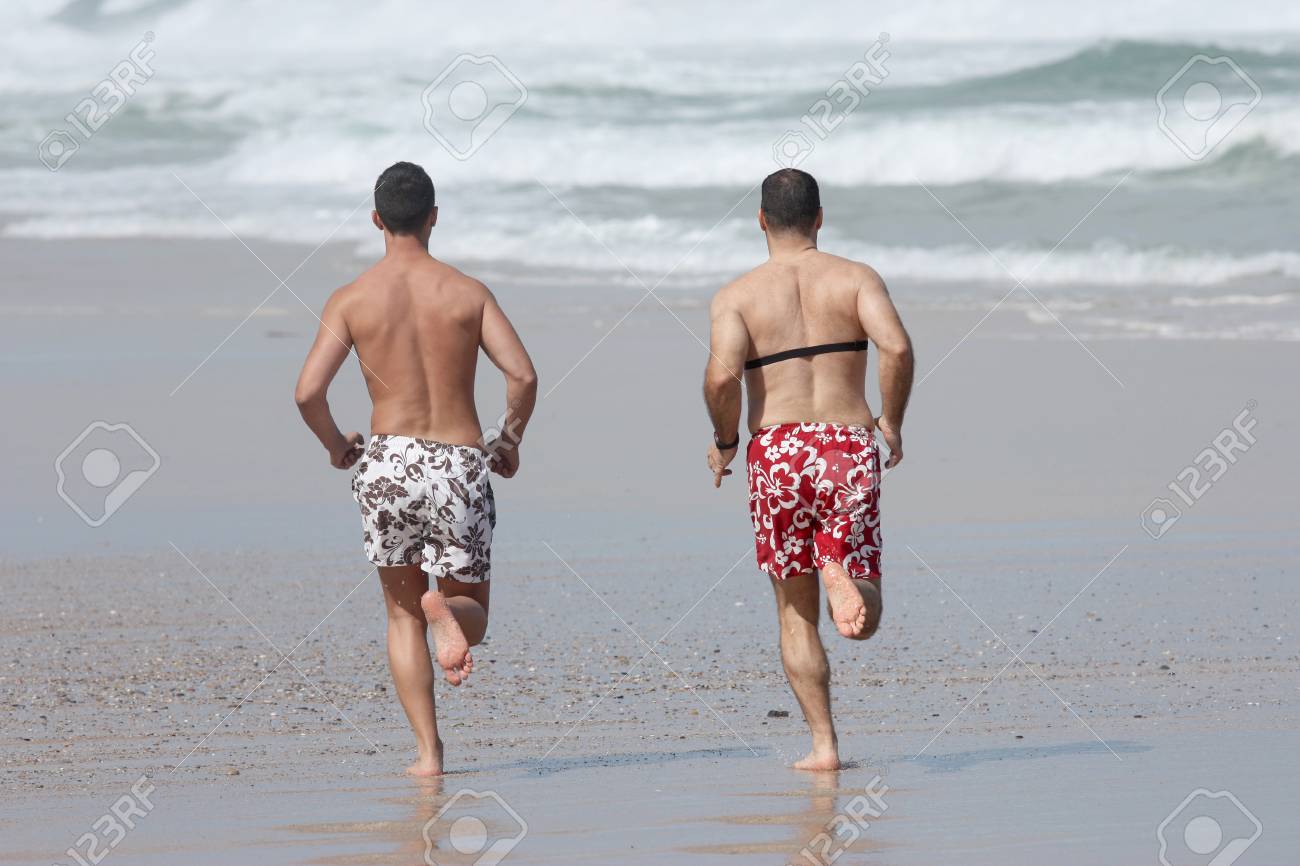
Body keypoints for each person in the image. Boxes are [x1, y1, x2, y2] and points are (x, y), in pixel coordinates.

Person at [294, 161, 538, 776]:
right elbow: (523, 375)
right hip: (458, 460)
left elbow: (307, 393)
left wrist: (334, 446)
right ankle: (450, 614)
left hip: (388, 462)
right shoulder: (468, 293)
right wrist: (506, 441)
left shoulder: (350, 300)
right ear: (433, 216)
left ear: (376, 219)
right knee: (468, 608)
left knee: (401, 613)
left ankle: (428, 758)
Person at [703, 168, 913, 771]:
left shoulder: (737, 296)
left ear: (762, 221)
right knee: (863, 617)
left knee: (795, 613)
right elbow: (896, 347)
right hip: (847, 443)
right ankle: (841, 568)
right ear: (820, 217)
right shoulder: (856, 279)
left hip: (778, 451)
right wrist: (891, 421)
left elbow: (722, 377)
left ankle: (823, 746)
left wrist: (725, 440)